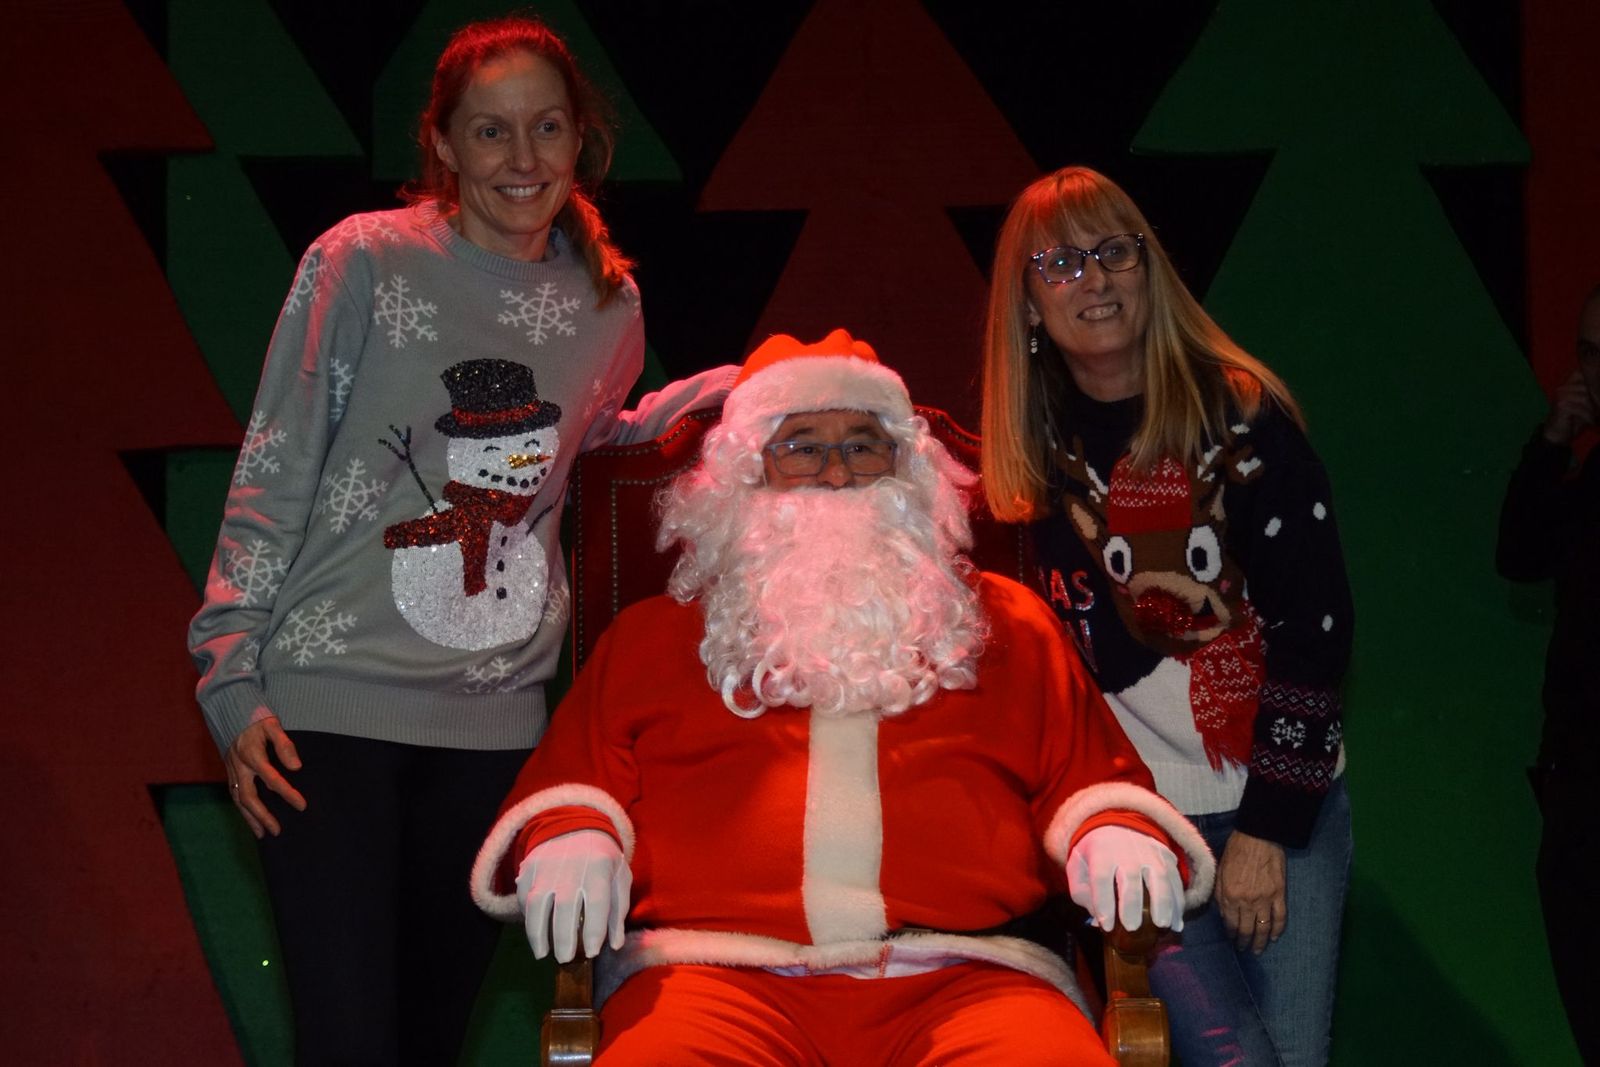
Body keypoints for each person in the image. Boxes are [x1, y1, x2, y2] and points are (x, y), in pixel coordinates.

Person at [186, 16, 732, 1065]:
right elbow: (278, 457)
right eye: (489, 133)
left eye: (545, 129)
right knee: (349, 1041)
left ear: (583, 139)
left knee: (431, 1039)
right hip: (325, 713)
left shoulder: (605, 302)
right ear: (440, 145)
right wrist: (227, 670)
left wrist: (719, 392)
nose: (521, 160)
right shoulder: (361, 261)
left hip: (492, 730)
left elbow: (582, 442)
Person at [470, 329, 1216, 1065]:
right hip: (712, 980)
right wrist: (573, 835)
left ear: (909, 469)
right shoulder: (652, 638)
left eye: (864, 443)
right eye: (801, 446)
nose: (836, 473)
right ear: (744, 476)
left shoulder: (1008, 625)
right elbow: (575, 780)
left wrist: (1108, 830)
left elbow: (1091, 778)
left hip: (970, 981)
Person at [979, 167, 1354, 1066]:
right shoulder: (1031, 466)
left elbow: (1318, 630)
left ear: (1151, 272)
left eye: (1114, 251)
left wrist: (1266, 827)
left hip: (1282, 805)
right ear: (1027, 304)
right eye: (1060, 264)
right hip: (1139, 832)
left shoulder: (1240, 415)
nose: (1095, 279)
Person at [1495, 284, 1600, 1065]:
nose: (1596, 370)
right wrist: (1554, 439)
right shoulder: (1590, 476)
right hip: (1578, 790)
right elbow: (1521, 554)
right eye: (1590, 352)